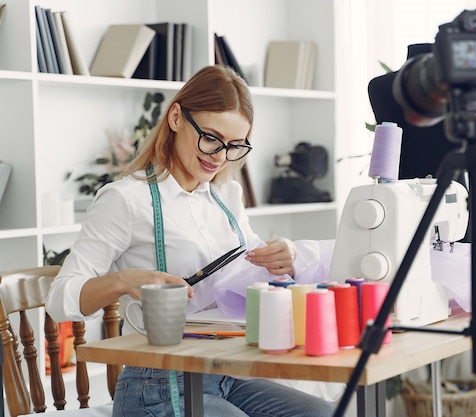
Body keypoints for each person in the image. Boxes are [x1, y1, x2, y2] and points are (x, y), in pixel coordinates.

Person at [46, 65, 336, 417]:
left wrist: (283, 257)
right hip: (157, 386)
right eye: (211, 137)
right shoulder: (126, 200)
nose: (219, 155)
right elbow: (60, 298)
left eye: (234, 145)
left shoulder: (226, 196)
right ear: (175, 117)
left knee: (323, 413)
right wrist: (123, 281)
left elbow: (253, 269)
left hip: (228, 373)